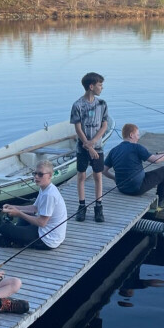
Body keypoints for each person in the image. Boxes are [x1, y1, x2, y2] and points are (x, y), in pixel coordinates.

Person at [104, 123, 164, 210]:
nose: (138, 137)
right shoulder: (137, 147)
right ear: (131, 135)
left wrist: (115, 178)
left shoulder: (114, 150)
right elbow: (156, 160)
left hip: (122, 188)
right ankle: (161, 202)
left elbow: (104, 170)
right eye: (137, 135)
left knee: (144, 174)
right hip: (136, 189)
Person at [0, 160, 68, 249]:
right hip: (44, 231)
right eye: (35, 173)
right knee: (23, 217)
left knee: (3, 228)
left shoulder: (49, 195)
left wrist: (18, 213)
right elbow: (34, 208)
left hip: (47, 240)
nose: (36, 177)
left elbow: (42, 223)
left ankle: (14, 240)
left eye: (40, 174)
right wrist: (13, 207)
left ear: (50, 175)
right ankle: (15, 240)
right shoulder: (46, 188)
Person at [70, 72, 109, 222]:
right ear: (91, 86)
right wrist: (88, 146)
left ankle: (98, 207)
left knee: (98, 176)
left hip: (97, 146)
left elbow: (104, 124)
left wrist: (94, 142)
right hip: (82, 148)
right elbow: (78, 129)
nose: (102, 88)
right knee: (81, 176)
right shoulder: (77, 105)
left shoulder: (102, 104)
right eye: (100, 85)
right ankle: (82, 206)